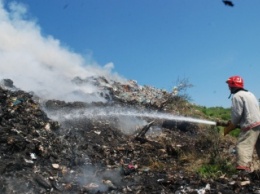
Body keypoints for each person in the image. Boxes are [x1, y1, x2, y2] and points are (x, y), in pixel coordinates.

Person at [224, 75, 260, 172]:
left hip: (251, 125)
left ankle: (243, 171)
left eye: (229, 85)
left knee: (243, 145)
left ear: (232, 84)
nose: (228, 87)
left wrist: (229, 127)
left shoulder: (237, 96)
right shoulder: (250, 94)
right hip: (258, 122)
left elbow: (236, 116)